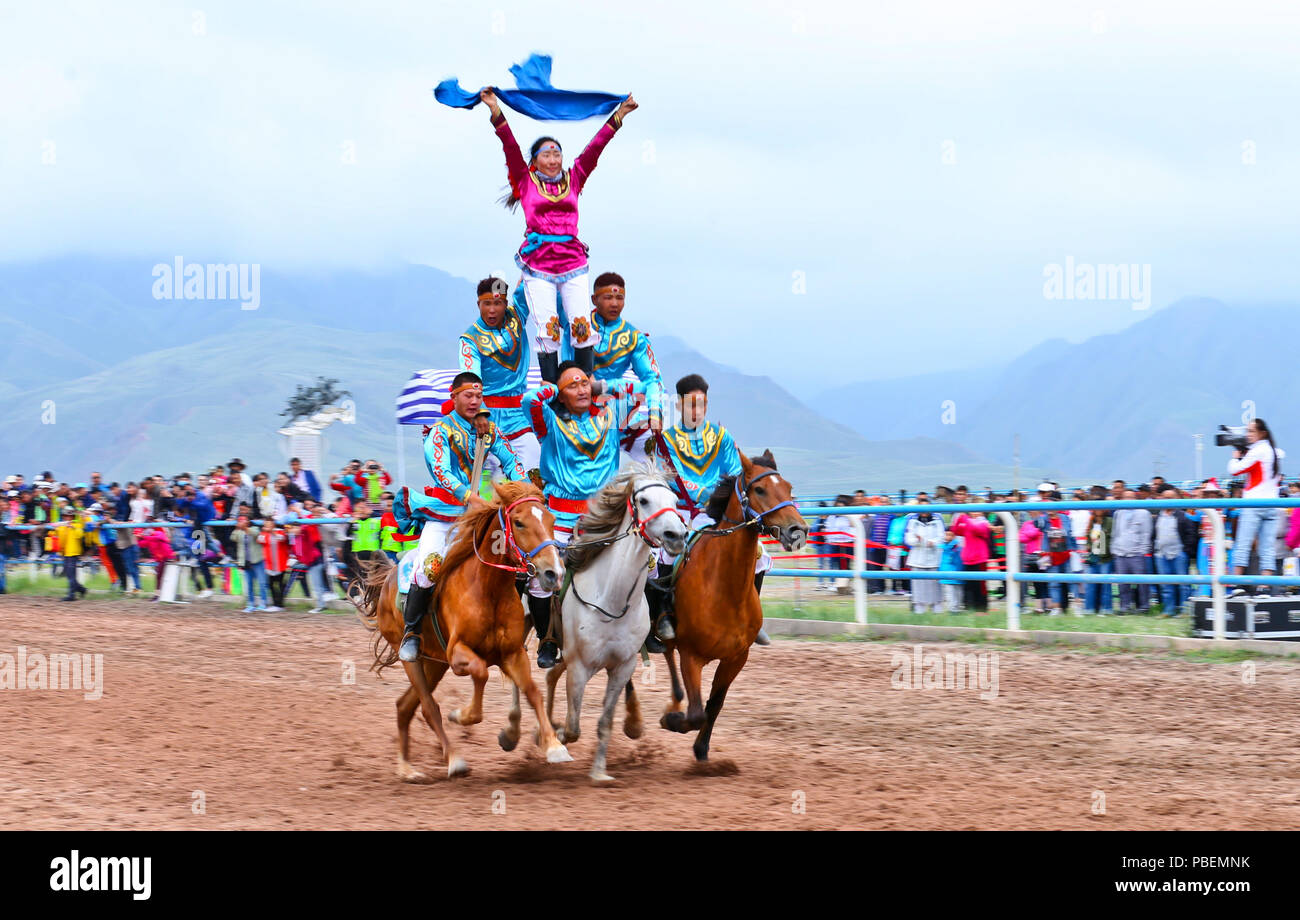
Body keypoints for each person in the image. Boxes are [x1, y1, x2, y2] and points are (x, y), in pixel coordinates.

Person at [480, 87, 638, 383]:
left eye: (557, 153)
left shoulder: (574, 178)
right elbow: (510, 147)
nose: (553, 159)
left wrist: (620, 115)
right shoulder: (525, 182)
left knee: (580, 323)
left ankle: (585, 383)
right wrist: (495, 110)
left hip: (572, 261)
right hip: (538, 264)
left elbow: (595, 149)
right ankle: (552, 387)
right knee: (548, 327)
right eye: (546, 154)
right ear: (535, 161)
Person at [524, 361, 651, 664]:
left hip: (606, 514)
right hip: (562, 515)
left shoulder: (611, 414)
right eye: (573, 386)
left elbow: (641, 391)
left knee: (649, 562)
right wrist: (557, 385)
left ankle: (650, 630)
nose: (581, 389)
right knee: (540, 581)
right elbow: (529, 400)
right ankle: (547, 641)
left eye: (584, 383)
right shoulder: (549, 421)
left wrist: (598, 386)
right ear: (560, 394)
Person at [395, 372, 527, 664]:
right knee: (429, 567)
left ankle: (510, 630)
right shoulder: (439, 432)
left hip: (478, 516)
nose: (474, 401)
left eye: (478, 397)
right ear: (453, 396)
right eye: (468, 395)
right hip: (444, 514)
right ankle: (412, 631)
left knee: (513, 560)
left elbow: (511, 459)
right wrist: (469, 496)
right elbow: (440, 470)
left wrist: (521, 490)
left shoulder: (488, 430)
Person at [653, 373, 773, 647]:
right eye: (691, 405)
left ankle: (753, 617)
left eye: (702, 404)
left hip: (715, 511)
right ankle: (664, 615)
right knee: (665, 553)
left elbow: (733, 473)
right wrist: (704, 493)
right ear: (679, 406)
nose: (697, 410)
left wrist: (716, 498)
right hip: (682, 510)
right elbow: (676, 477)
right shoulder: (667, 441)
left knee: (759, 553)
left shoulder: (721, 437)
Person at [563, 271, 665, 463]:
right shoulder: (577, 327)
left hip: (617, 410)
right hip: (578, 410)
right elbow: (566, 369)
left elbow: (652, 380)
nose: (615, 303)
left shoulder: (634, 337)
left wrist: (655, 412)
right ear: (594, 299)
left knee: (659, 455)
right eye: (608, 297)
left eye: (620, 298)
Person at [460, 279, 542, 476]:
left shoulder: (517, 317)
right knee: (489, 492)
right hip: (487, 420)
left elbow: (529, 282)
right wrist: (479, 413)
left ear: (506, 303)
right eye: (486, 303)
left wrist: (531, 263)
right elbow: (472, 378)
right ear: (478, 304)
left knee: (534, 477)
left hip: (520, 417)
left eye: (497, 303)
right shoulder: (470, 339)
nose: (492, 310)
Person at [1227, 418, 1285, 596]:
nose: (1248, 435)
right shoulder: (1273, 451)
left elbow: (1235, 470)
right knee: (1267, 547)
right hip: (1272, 504)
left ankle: (1237, 585)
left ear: (1262, 433)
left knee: (1242, 544)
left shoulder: (1257, 450)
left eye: (1251, 431)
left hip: (1254, 503)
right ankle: (1264, 587)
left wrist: (1236, 458)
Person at [1111, 491, 1153, 614]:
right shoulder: (1118, 513)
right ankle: (1125, 607)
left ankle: (1144, 606)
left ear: (1135, 498)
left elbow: (1146, 533)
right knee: (1122, 582)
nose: (1128, 499)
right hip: (1120, 553)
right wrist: (1114, 548)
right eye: (1125, 497)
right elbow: (1115, 532)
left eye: (1130, 497)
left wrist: (1143, 551)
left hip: (1137, 554)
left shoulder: (1143, 513)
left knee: (1141, 582)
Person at [903, 499, 945, 613]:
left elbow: (941, 538)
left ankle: (937, 611)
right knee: (918, 588)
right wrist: (919, 541)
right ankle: (919, 611)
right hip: (917, 559)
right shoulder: (912, 521)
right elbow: (908, 539)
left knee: (935, 588)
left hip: (934, 558)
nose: (924, 511)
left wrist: (929, 542)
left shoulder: (938, 521)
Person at [950, 505, 990, 612]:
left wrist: (965, 519)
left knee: (980, 585)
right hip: (968, 559)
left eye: (978, 511)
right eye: (973, 511)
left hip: (980, 558)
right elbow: (955, 530)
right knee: (969, 585)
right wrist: (959, 518)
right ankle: (970, 607)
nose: (975, 513)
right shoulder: (968, 523)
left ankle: (982, 608)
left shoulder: (983, 523)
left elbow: (977, 530)